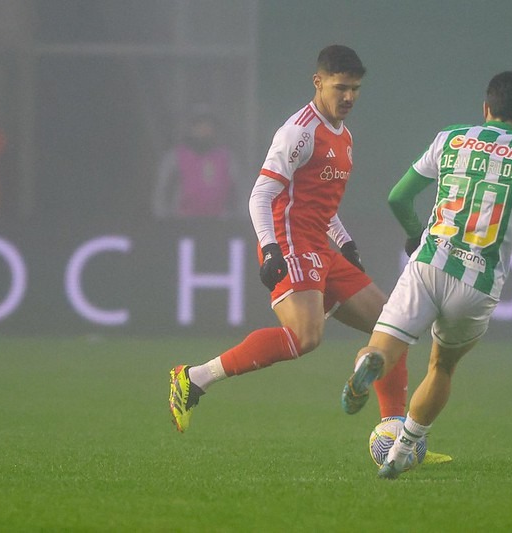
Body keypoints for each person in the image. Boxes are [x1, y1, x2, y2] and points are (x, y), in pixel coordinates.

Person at [167, 44, 450, 464]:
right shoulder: (298, 132)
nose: (349, 97)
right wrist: (269, 249)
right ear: (318, 82)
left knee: (394, 325)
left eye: (355, 89)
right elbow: (260, 195)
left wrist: (345, 241)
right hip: (291, 242)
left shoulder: (345, 135)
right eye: (341, 88)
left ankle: (398, 439)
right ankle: (193, 379)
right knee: (306, 336)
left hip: (321, 242)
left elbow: (322, 202)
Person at [340, 71, 512, 478]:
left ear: (485, 108)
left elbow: (398, 196)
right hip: (478, 280)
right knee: (441, 367)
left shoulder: (450, 139)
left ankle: (369, 363)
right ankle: (403, 450)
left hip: (429, 262)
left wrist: (413, 232)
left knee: (384, 347)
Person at [152, 104, 239, 219]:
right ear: (191, 128)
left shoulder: (226, 157)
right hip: (182, 223)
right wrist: (163, 220)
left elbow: (239, 191)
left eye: (208, 125)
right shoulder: (175, 157)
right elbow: (162, 192)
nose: (203, 129)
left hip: (219, 224)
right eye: (199, 125)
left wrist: (238, 220)